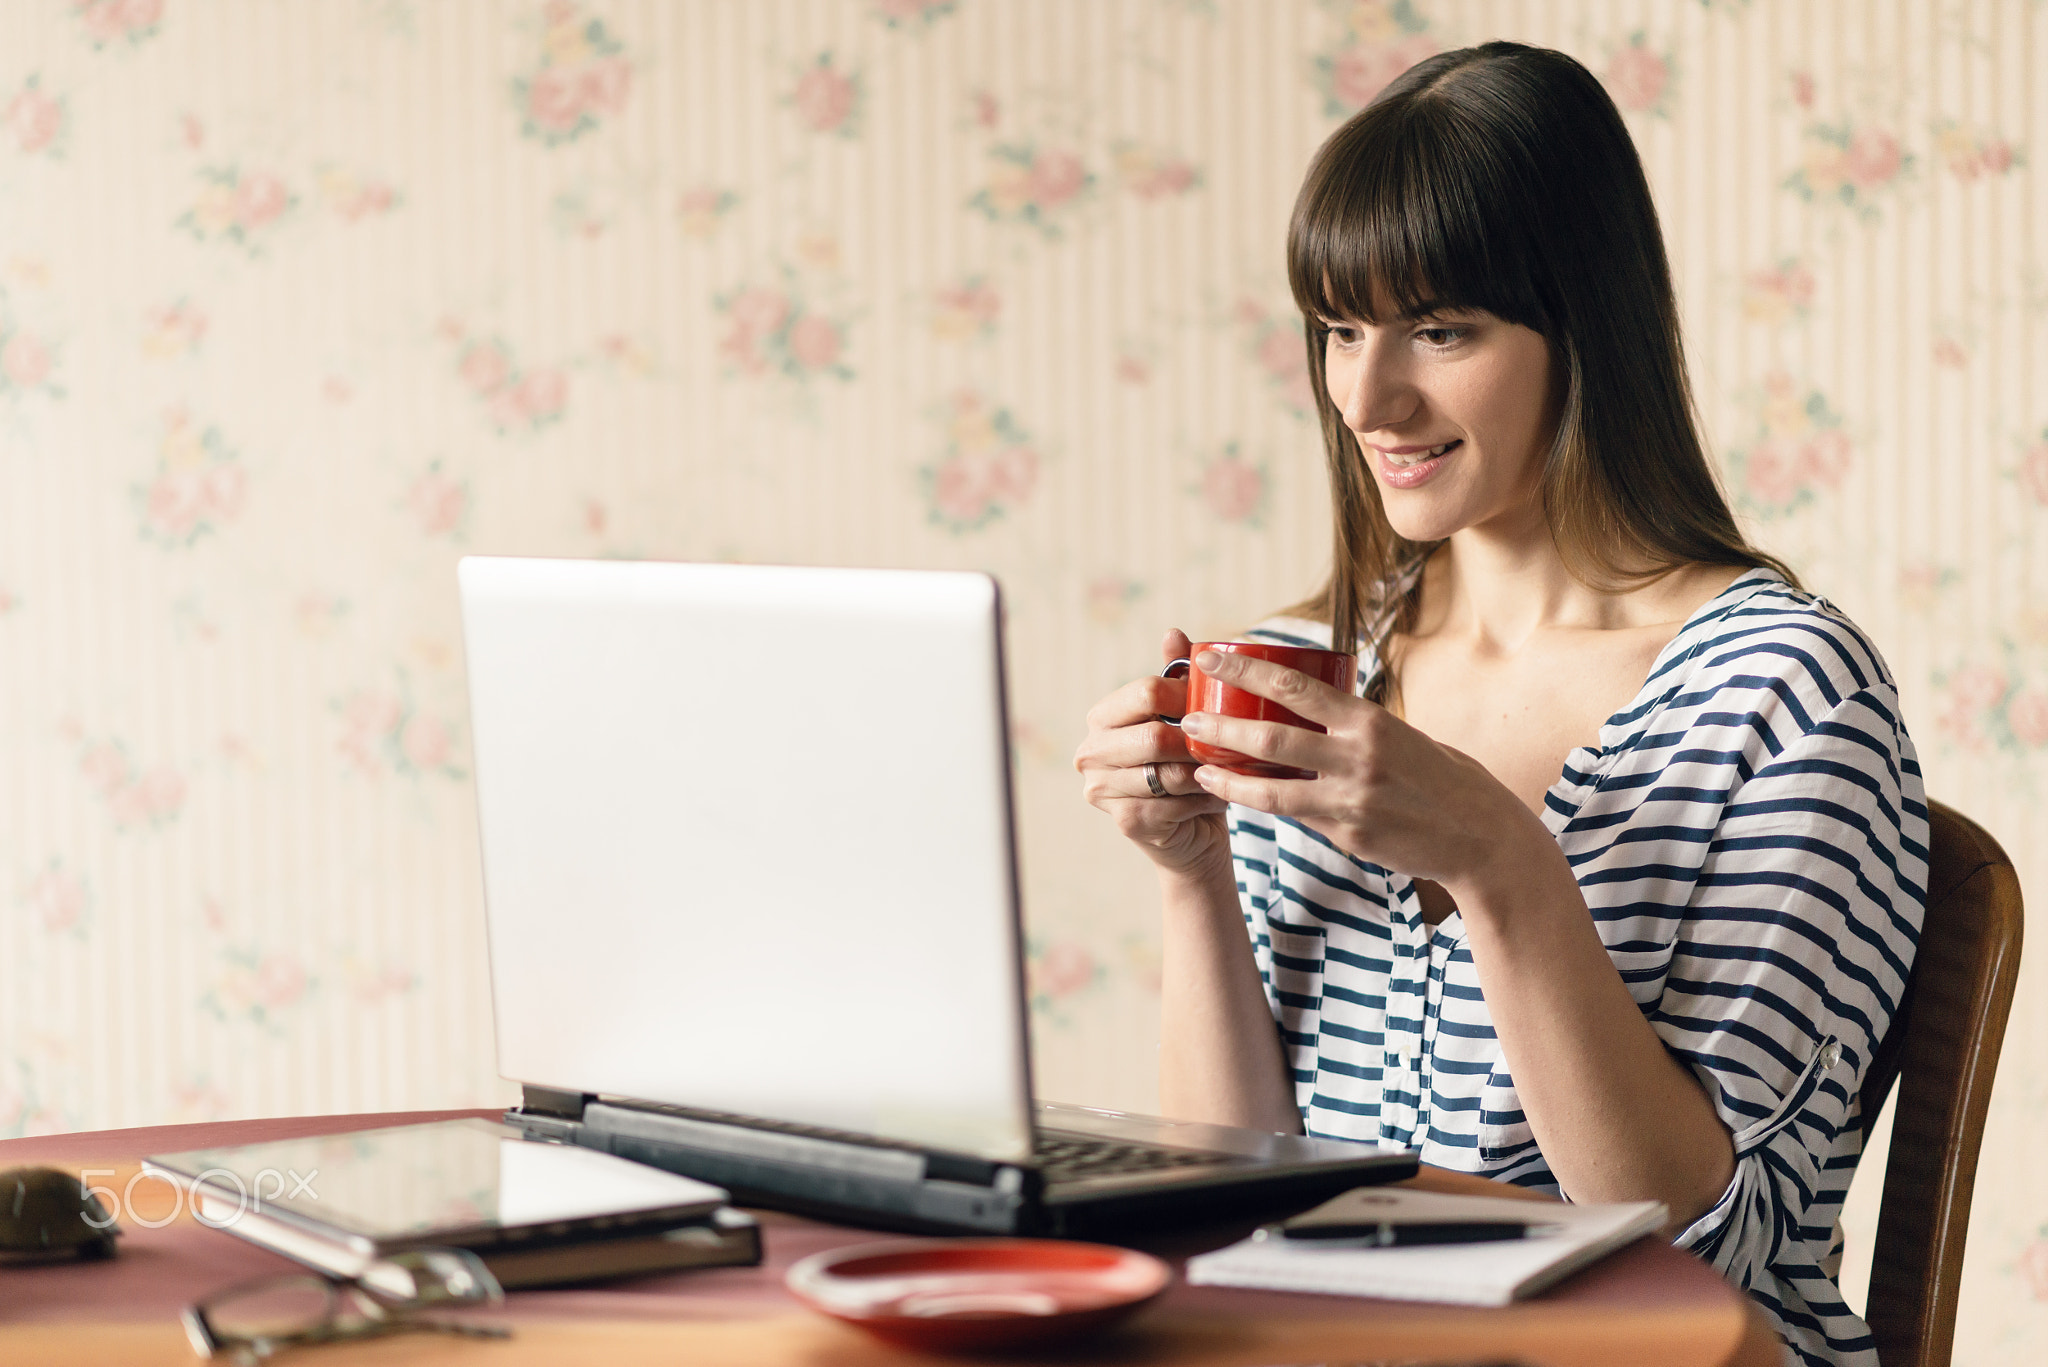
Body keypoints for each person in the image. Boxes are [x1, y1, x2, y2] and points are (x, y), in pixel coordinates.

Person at [1073, 42, 1923, 1367]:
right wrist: (1190, 871)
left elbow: (1707, 1266)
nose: (1367, 396)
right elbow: (1230, 1209)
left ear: (1581, 325)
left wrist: (1499, 857)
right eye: (1341, 331)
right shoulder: (1312, 673)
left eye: (1441, 328)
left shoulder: (1785, 698)